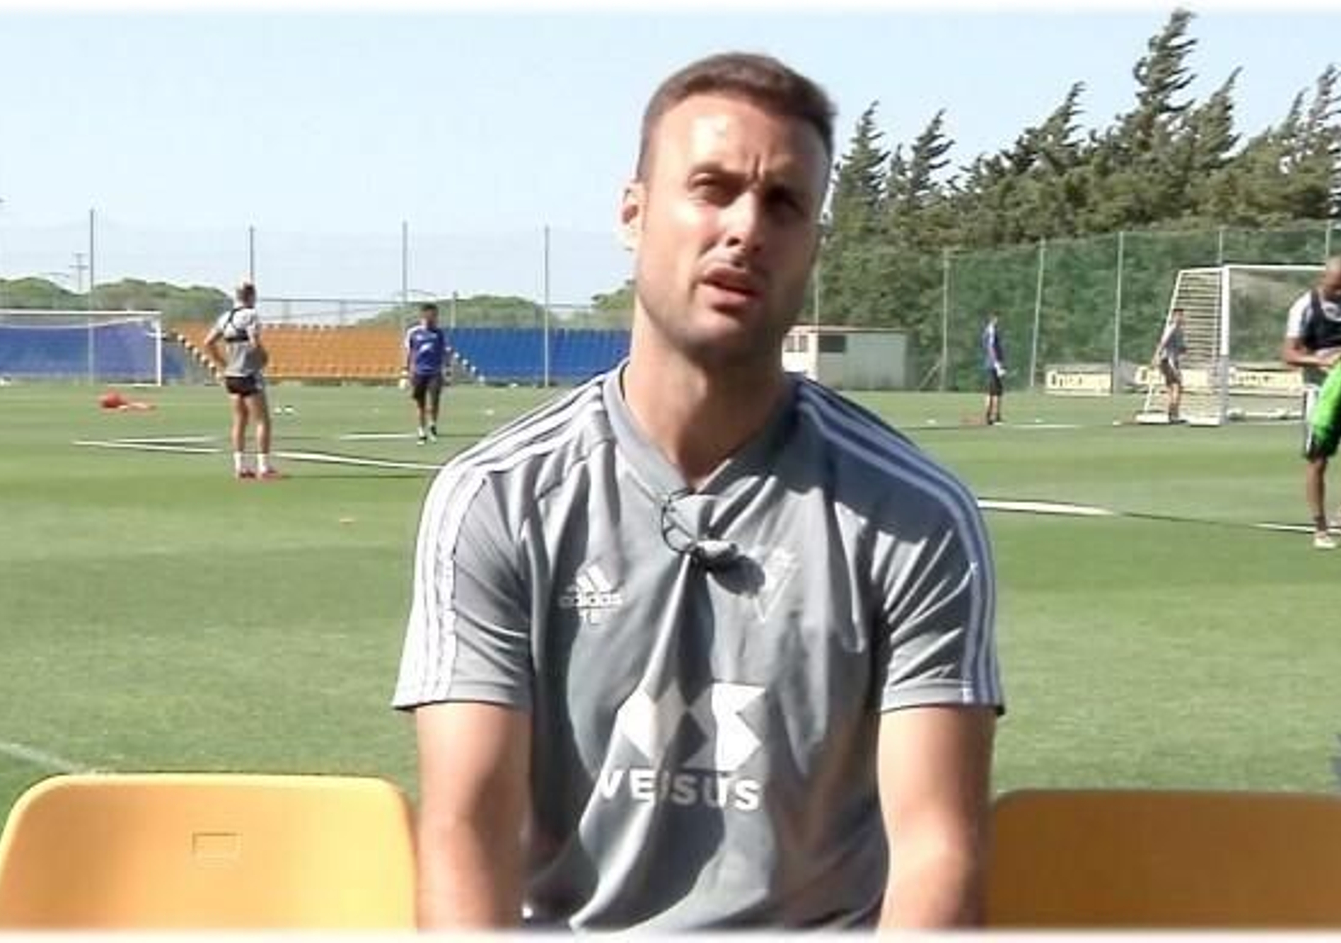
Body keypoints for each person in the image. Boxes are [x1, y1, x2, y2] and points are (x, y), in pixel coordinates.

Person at [393, 52, 1002, 931]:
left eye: (783, 204)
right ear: (633, 213)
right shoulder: (496, 497)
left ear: (813, 244)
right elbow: (467, 830)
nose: (745, 228)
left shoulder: (915, 517)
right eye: (711, 188)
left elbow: (938, 848)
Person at [1281, 256, 1341, 550]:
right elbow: (1288, 354)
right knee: (1318, 461)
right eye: (1335, 286)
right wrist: (1318, 360)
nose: (1340, 291)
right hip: (1321, 396)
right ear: (1323, 278)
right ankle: (1320, 529)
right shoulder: (1304, 307)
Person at [203, 280, 280, 480]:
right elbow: (254, 342)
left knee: (239, 420)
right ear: (251, 296)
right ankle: (264, 467)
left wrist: (223, 364)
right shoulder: (250, 315)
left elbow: (208, 342)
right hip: (248, 373)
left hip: (232, 376)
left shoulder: (225, 317)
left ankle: (240, 466)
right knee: (262, 420)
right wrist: (263, 358)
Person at [404, 302, 451, 443]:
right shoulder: (413, 333)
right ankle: (421, 429)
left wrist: (447, 370)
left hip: (435, 372)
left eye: (435, 315)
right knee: (420, 403)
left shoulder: (439, 333)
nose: (434, 318)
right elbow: (409, 353)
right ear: (424, 315)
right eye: (432, 315)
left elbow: (444, 352)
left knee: (434, 401)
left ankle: (433, 425)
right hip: (419, 372)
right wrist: (405, 372)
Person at [1151, 307, 1186, 423]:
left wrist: (1182, 350)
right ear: (1174, 317)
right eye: (1179, 315)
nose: (1182, 318)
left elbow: (1179, 347)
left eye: (1182, 315)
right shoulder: (1172, 328)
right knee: (1177, 386)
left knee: (1172, 387)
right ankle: (1173, 414)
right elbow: (1163, 343)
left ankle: (1172, 414)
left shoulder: (1179, 330)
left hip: (1171, 360)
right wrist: (1156, 356)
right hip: (1168, 361)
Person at [982, 314, 1005, 425]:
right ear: (993, 319)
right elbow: (991, 348)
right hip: (992, 365)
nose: (998, 321)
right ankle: (989, 416)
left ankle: (996, 416)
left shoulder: (991, 331)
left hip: (993, 364)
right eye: (997, 319)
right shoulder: (991, 331)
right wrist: (996, 364)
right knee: (993, 392)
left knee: (997, 391)